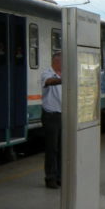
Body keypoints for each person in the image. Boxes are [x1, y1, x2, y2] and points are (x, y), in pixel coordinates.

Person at [40, 52, 62, 188]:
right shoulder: (47, 74)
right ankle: (50, 177)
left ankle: (60, 175)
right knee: (52, 148)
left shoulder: (63, 74)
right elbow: (48, 82)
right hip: (51, 115)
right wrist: (63, 79)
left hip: (63, 115)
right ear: (56, 61)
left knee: (62, 147)